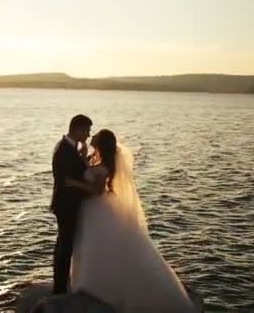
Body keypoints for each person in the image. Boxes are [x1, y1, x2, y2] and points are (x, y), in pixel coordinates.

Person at [65, 129, 197, 312]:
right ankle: (90, 283)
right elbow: (86, 169)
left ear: (101, 142)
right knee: (92, 246)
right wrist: (83, 154)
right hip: (92, 210)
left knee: (100, 246)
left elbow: (97, 191)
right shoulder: (96, 159)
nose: (92, 135)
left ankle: (102, 288)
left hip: (98, 208)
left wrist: (74, 184)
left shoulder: (104, 166)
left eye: (95, 136)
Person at [50, 114, 92, 294]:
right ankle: (60, 288)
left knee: (64, 243)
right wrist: (87, 187)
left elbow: (75, 172)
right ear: (79, 129)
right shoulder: (64, 150)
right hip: (66, 205)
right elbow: (66, 180)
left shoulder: (69, 147)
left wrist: (82, 156)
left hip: (66, 204)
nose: (89, 135)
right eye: (87, 130)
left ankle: (60, 284)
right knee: (65, 245)